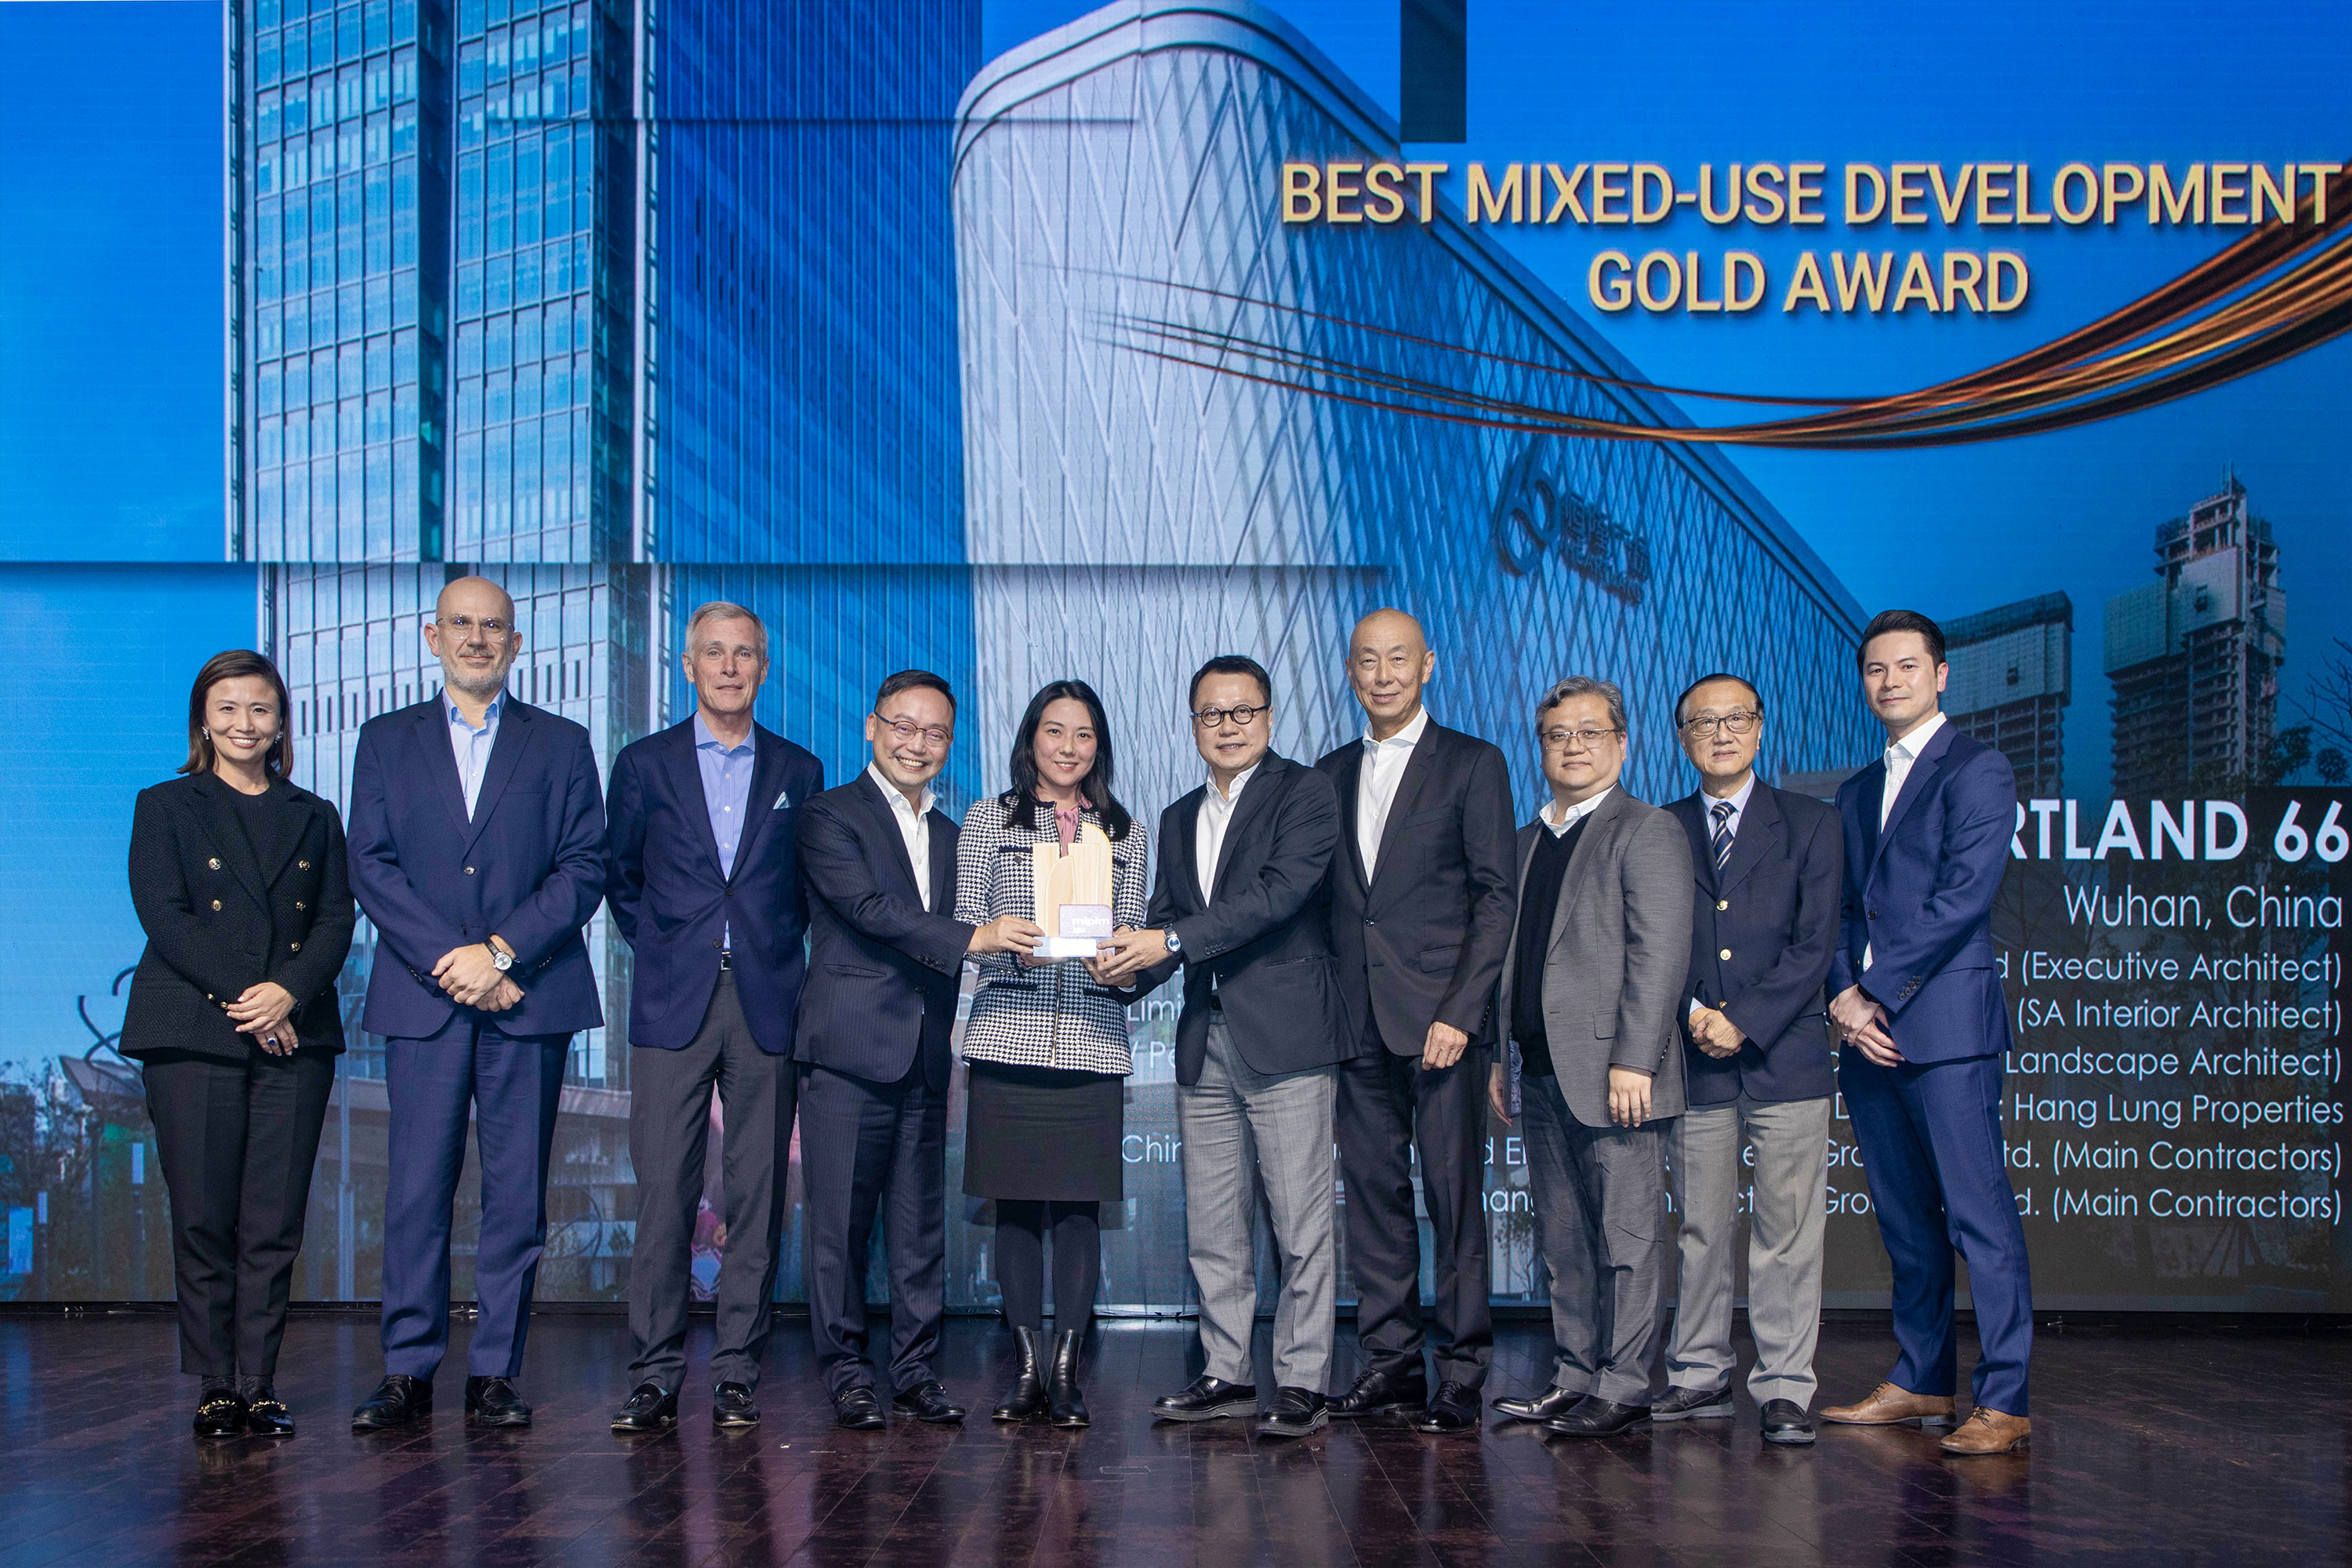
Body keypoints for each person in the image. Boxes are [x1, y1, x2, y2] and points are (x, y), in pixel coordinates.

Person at [346, 575, 607, 1432]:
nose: (477, 638)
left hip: (528, 995)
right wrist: (452, 961)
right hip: (424, 999)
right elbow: (370, 865)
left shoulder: (562, 742)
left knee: (517, 1198)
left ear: (515, 643)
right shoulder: (385, 739)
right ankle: (407, 1369)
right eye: (461, 624)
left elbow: (584, 867)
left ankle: (494, 1371)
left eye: (494, 626)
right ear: (433, 637)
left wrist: (497, 953)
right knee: (416, 1192)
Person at [1098, 655, 1346, 1441]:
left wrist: (1167, 939)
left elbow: (1277, 896)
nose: (1228, 726)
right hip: (1203, 1038)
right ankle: (1228, 1370)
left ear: (1268, 717)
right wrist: (1120, 969)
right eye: (1212, 713)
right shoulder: (1176, 817)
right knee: (1213, 1223)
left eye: (1243, 711)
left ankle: (1303, 1380)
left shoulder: (1307, 792)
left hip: (1287, 1036)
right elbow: (1167, 922)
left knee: (1300, 1223)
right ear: (1193, 725)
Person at [122, 650, 356, 1439]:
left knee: (273, 1220)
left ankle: (259, 1382)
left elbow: (335, 920)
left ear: (281, 722)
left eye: (260, 708)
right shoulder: (165, 804)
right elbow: (165, 915)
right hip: (194, 1030)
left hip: (296, 1032)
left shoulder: (315, 814)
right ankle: (215, 1384)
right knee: (203, 1216)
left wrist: (288, 993)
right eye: (227, 708)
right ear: (203, 720)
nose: (244, 723)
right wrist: (255, 999)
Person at [604, 602, 823, 1435]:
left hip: (768, 1000)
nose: (730, 667)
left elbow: (806, 886)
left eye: (744, 654)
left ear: (763, 667)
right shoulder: (643, 763)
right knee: (665, 1190)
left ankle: (736, 1370)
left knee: (759, 1195)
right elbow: (621, 876)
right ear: (689, 665)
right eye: (714, 653)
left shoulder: (799, 769)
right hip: (674, 1001)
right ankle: (655, 1372)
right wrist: (669, 949)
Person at [795, 671, 1036, 1431]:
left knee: (919, 1225)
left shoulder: (954, 835)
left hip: (926, 1051)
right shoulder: (829, 814)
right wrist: (978, 936)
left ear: (949, 744)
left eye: (935, 732)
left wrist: (1029, 937)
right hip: (847, 1049)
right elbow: (869, 909)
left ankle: (914, 1371)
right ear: (873, 727)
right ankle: (846, 1373)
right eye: (904, 725)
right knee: (838, 1227)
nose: (917, 743)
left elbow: (975, 925)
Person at [1820, 610, 2034, 1457]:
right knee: (1906, 1223)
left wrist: (1871, 992)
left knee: (1979, 1219)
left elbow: (1963, 898)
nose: (1890, 681)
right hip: (1866, 1036)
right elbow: (1842, 910)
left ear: (1940, 675)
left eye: (1907, 666)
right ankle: (1921, 1379)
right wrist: (1845, 994)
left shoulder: (1978, 769)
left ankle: (2005, 1399)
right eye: (1876, 669)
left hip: (1943, 1030)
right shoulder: (1854, 791)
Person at [1316, 608, 1516, 1435]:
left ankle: (1462, 1371)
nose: (1384, 674)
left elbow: (1496, 898)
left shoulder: (1473, 762)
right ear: (1351, 672)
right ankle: (1391, 1363)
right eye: (1368, 660)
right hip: (1354, 1025)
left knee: (1455, 1200)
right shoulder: (1327, 773)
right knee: (1373, 1202)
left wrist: (1462, 1013)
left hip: (1442, 1027)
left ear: (1427, 665)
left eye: (1398, 658)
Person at [1489, 677, 1693, 1439]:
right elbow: (1511, 963)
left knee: (1628, 1240)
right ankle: (1574, 1375)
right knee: (1564, 1238)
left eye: (1589, 732)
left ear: (1622, 743)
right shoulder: (1525, 841)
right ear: (1541, 748)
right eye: (1557, 734)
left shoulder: (1646, 830)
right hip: (1539, 1071)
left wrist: (1637, 1059)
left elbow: (1659, 956)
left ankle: (1626, 1383)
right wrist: (1499, 1059)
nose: (1572, 746)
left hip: (1618, 1075)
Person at [954, 679, 1148, 1430]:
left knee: (1077, 1212)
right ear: (1031, 738)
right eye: (1055, 731)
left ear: (1100, 746)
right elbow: (966, 925)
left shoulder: (1125, 831)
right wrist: (1006, 944)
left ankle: (1066, 1374)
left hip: (1092, 1040)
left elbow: (1132, 932)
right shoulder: (989, 818)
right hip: (1008, 1035)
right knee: (1013, 1210)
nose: (1069, 747)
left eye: (1084, 735)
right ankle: (1027, 1369)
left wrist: (1120, 961)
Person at [1656, 673, 1842, 1446]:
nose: (1722, 733)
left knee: (1786, 1231)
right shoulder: (1660, 827)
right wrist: (1695, 1012)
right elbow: (1648, 941)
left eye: (1737, 719)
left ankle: (1785, 1386)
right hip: (1694, 1060)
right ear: (1683, 738)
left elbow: (1816, 946)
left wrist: (1744, 1020)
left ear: (1761, 728)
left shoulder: (1812, 823)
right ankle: (1698, 1372)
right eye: (1704, 722)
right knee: (1700, 1226)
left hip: (1786, 1057)